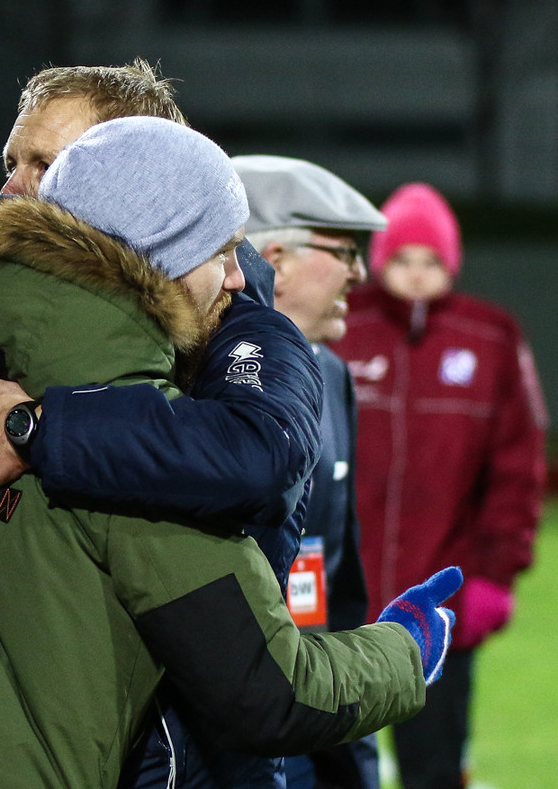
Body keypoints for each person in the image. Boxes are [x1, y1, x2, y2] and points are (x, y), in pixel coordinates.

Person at [0, 117, 455, 789]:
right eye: (222, 252)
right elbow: (262, 692)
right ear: (163, 256)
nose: (239, 280)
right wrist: (406, 648)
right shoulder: (146, 436)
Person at [329, 182, 548, 789]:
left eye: (431, 260)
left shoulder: (491, 336)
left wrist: (496, 576)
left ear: (452, 263)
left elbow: (517, 469)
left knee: (435, 773)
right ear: (379, 261)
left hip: (439, 610)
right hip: (340, 605)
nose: (417, 273)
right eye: (403, 258)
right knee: (329, 770)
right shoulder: (341, 327)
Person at [232, 154, 386, 789]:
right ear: (276, 258)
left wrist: (356, 749)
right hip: (229, 723)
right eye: (344, 252)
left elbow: (339, 579)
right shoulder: (201, 375)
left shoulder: (330, 373)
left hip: (314, 714)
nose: (361, 272)